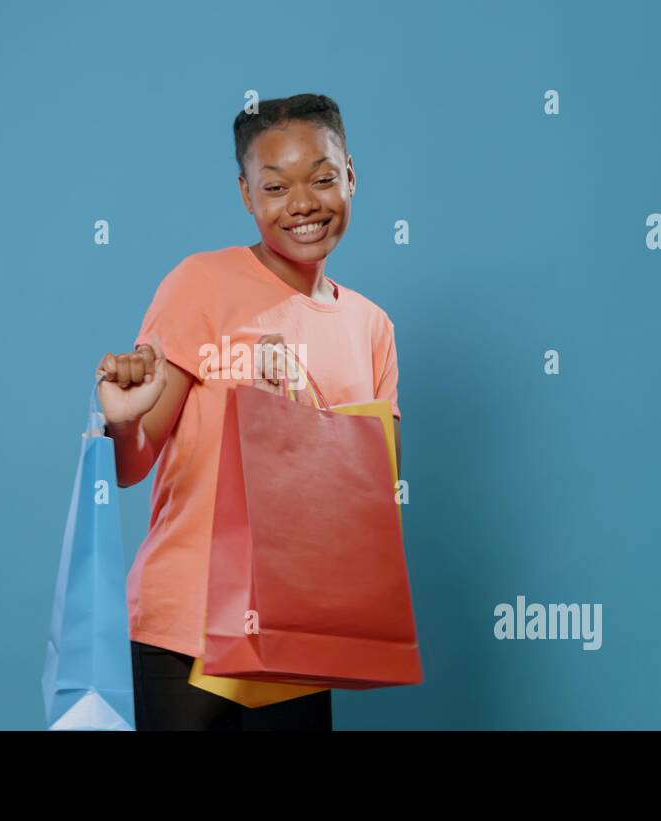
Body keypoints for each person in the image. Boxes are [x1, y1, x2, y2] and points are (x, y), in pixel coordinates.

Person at [95, 93, 401, 731]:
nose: (303, 203)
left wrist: (303, 419)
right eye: (275, 186)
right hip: (187, 625)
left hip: (297, 628)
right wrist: (124, 421)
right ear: (246, 196)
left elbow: (369, 504)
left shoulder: (372, 327)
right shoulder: (199, 283)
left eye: (322, 177)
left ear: (352, 176)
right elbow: (133, 465)